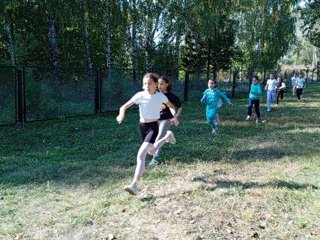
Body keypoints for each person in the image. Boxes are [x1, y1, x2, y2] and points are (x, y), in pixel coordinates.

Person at [116, 73, 178, 195]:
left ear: (156, 85)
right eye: (144, 83)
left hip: (153, 126)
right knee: (152, 151)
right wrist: (121, 114)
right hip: (142, 126)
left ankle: (134, 184)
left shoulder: (160, 97)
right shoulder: (140, 95)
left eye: (149, 83)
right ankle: (166, 137)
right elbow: (124, 106)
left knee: (141, 155)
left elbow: (171, 107)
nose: (147, 86)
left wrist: (173, 116)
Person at [149, 76, 182, 167]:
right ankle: (168, 135)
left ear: (167, 84)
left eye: (161, 84)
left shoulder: (171, 96)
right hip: (155, 119)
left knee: (159, 138)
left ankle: (155, 159)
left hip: (166, 119)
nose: (159, 85)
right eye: (158, 84)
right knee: (153, 137)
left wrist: (175, 117)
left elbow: (179, 107)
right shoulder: (154, 94)